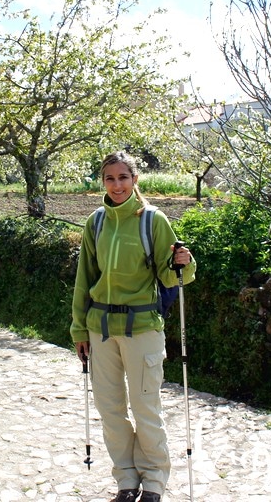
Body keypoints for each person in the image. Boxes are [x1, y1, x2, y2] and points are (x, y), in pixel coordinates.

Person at [71, 151, 196, 502]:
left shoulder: (152, 221)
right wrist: (79, 330)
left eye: (123, 177)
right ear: (103, 182)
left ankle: (154, 480)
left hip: (143, 328)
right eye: (110, 179)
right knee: (110, 409)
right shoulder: (95, 223)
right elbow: (85, 280)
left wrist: (185, 262)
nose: (117, 185)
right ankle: (126, 479)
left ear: (135, 180)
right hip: (101, 328)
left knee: (145, 407)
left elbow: (171, 274)